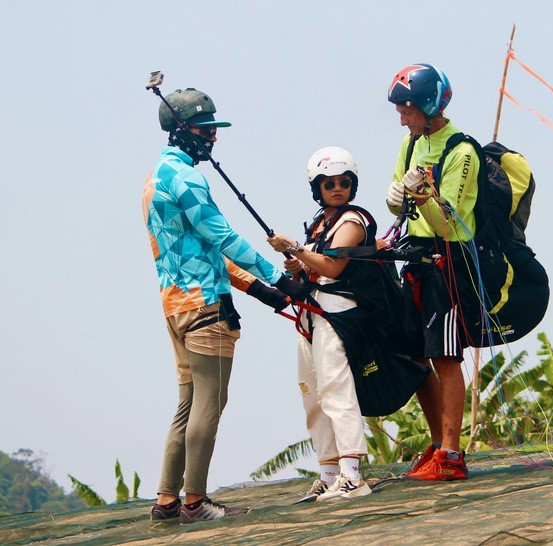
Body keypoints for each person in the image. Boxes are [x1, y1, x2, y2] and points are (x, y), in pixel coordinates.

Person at [143, 87, 307, 523]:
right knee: (210, 404)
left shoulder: (155, 178)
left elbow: (201, 250)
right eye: (204, 129)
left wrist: (259, 290)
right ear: (181, 131)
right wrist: (280, 278)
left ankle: (166, 501)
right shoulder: (188, 179)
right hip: (206, 309)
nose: (212, 138)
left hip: (176, 308)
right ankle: (195, 502)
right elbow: (225, 240)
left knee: (187, 404)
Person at [385, 63, 477, 481]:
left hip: (448, 262)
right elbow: (398, 205)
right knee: (415, 353)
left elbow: (449, 224)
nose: (402, 119)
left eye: (406, 111)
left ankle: (453, 455)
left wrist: (421, 194)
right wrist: (396, 198)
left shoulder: (460, 151)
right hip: (416, 259)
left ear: (426, 106)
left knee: (445, 356)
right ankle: (439, 443)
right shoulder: (410, 145)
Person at [267, 147, 372, 502]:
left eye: (344, 182)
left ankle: (352, 475)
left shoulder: (353, 221)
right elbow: (315, 267)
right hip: (309, 315)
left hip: (337, 314)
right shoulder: (318, 224)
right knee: (312, 395)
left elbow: (333, 267)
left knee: (336, 390)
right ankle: (328, 474)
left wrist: (296, 248)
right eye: (329, 184)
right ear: (318, 188)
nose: (337, 188)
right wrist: (299, 264)